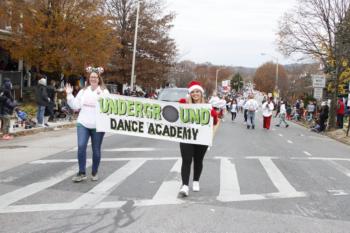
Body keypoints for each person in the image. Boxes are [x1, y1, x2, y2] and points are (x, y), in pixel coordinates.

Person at [65, 66, 109, 182]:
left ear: (99, 79)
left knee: (96, 150)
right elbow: (75, 106)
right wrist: (69, 95)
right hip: (83, 123)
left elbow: (110, 109)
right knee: (81, 146)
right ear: (89, 79)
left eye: (95, 77)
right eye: (91, 77)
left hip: (98, 126)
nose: (93, 79)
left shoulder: (104, 91)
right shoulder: (83, 91)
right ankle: (82, 172)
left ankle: (94, 172)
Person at [178, 81, 218, 197]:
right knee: (186, 160)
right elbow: (177, 108)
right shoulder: (185, 104)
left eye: (197, 92)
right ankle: (185, 186)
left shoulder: (207, 107)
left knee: (198, 160)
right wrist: (185, 101)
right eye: (193, 92)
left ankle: (196, 180)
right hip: (187, 137)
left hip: (201, 138)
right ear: (190, 94)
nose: (195, 94)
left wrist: (212, 113)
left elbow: (214, 121)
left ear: (201, 93)